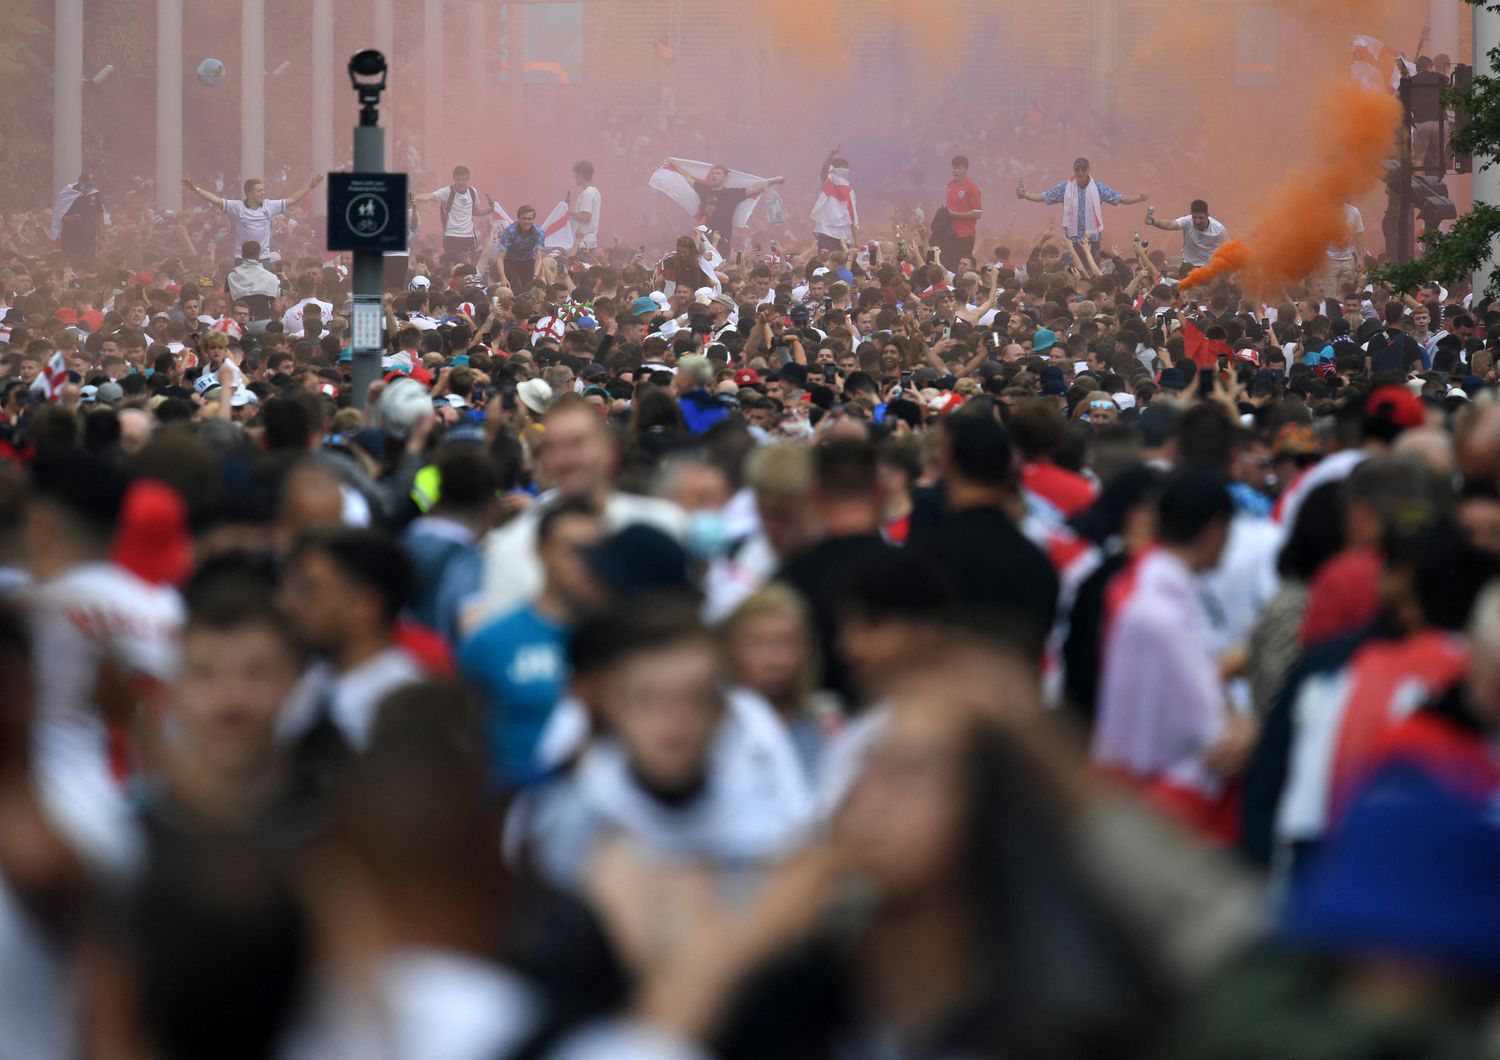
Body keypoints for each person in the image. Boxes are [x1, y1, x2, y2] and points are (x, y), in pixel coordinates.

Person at [460, 498, 602, 790]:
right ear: (542, 552)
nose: (589, 563)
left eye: (598, 552)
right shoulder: (490, 643)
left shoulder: (621, 638)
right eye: (575, 551)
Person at [182, 173, 324, 260]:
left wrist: (310, 186)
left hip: (263, 258)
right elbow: (215, 199)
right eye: (259, 191)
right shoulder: (237, 207)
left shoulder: (269, 206)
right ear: (249, 193)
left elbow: (292, 199)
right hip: (242, 258)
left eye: (263, 190)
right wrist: (195, 189)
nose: (263, 193)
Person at [1016, 156, 1149, 250]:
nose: (1080, 172)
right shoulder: (1065, 187)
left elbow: (1120, 199)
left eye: (1083, 169)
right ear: (1074, 170)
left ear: (1088, 170)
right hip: (1072, 238)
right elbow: (1043, 197)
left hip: (1092, 238)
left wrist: (1139, 198)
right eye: (1077, 169)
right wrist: (1025, 195)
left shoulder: (1098, 188)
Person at [414, 165, 493, 261]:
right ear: (454, 179)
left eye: (464, 179)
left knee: (468, 266)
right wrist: (410, 197)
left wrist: (489, 210)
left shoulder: (472, 192)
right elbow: (428, 197)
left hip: (469, 237)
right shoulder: (448, 191)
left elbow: (475, 211)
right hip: (452, 236)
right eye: (458, 179)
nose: (461, 182)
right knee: (452, 265)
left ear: (468, 179)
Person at [1146, 198, 1227, 278]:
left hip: (1208, 267)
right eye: (1194, 218)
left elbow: (1228, 249)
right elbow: (1170, 224)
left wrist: (1216, 257)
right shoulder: (1187, 221)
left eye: (1201, 218)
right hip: (1187, 265)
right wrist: (1153, 221)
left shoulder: (1218, 229)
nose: (1197, 221)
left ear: (1208, 215)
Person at [810, 144, 859, 252]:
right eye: (840, 168)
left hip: (844, 236)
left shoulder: (850, 192)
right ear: (833, 169)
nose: (843, 171)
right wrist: (831, 155)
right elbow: (823, 170)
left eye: (846, 168)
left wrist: (856, 240)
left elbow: (853, 217)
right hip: (826, 232)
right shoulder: (828, 182)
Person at [939, 154, 983, 266]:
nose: (956, 171)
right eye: (954, 168)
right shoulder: (950, 184)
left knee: (961, 267)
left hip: (965, 236)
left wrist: (954, 214)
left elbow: (977, 213)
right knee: (947, 266)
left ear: (966, 170)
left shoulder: (972, 187)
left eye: (959, 168)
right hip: (949, 234)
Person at [498, 204, 545, 294]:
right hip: (510, 261)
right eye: (523, 218)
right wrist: (503, 277)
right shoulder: (510, 231)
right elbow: (500, 258)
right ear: (518, 218)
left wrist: (534, 277)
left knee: (529, 289)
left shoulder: (539, 232)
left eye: (529, 219)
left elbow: (539, 258)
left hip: (528, 260)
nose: (526, 222)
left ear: (533, 219)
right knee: (516, 288)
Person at [1325, 202, 1366, 294]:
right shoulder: (1323, 211)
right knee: (1329, 296)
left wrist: (1361, 259)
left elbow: (1359, 235)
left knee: (1346, 295)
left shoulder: (1353, 212)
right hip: (1329, 261)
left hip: (1348, 260)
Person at [567, 160, 602, 256]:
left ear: (581, 175)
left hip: (582, 243)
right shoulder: (595, 192)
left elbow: (586, 217)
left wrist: (568, 212)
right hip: (589, 242)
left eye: (576, 176)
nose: (575, 179)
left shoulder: (587, 193)